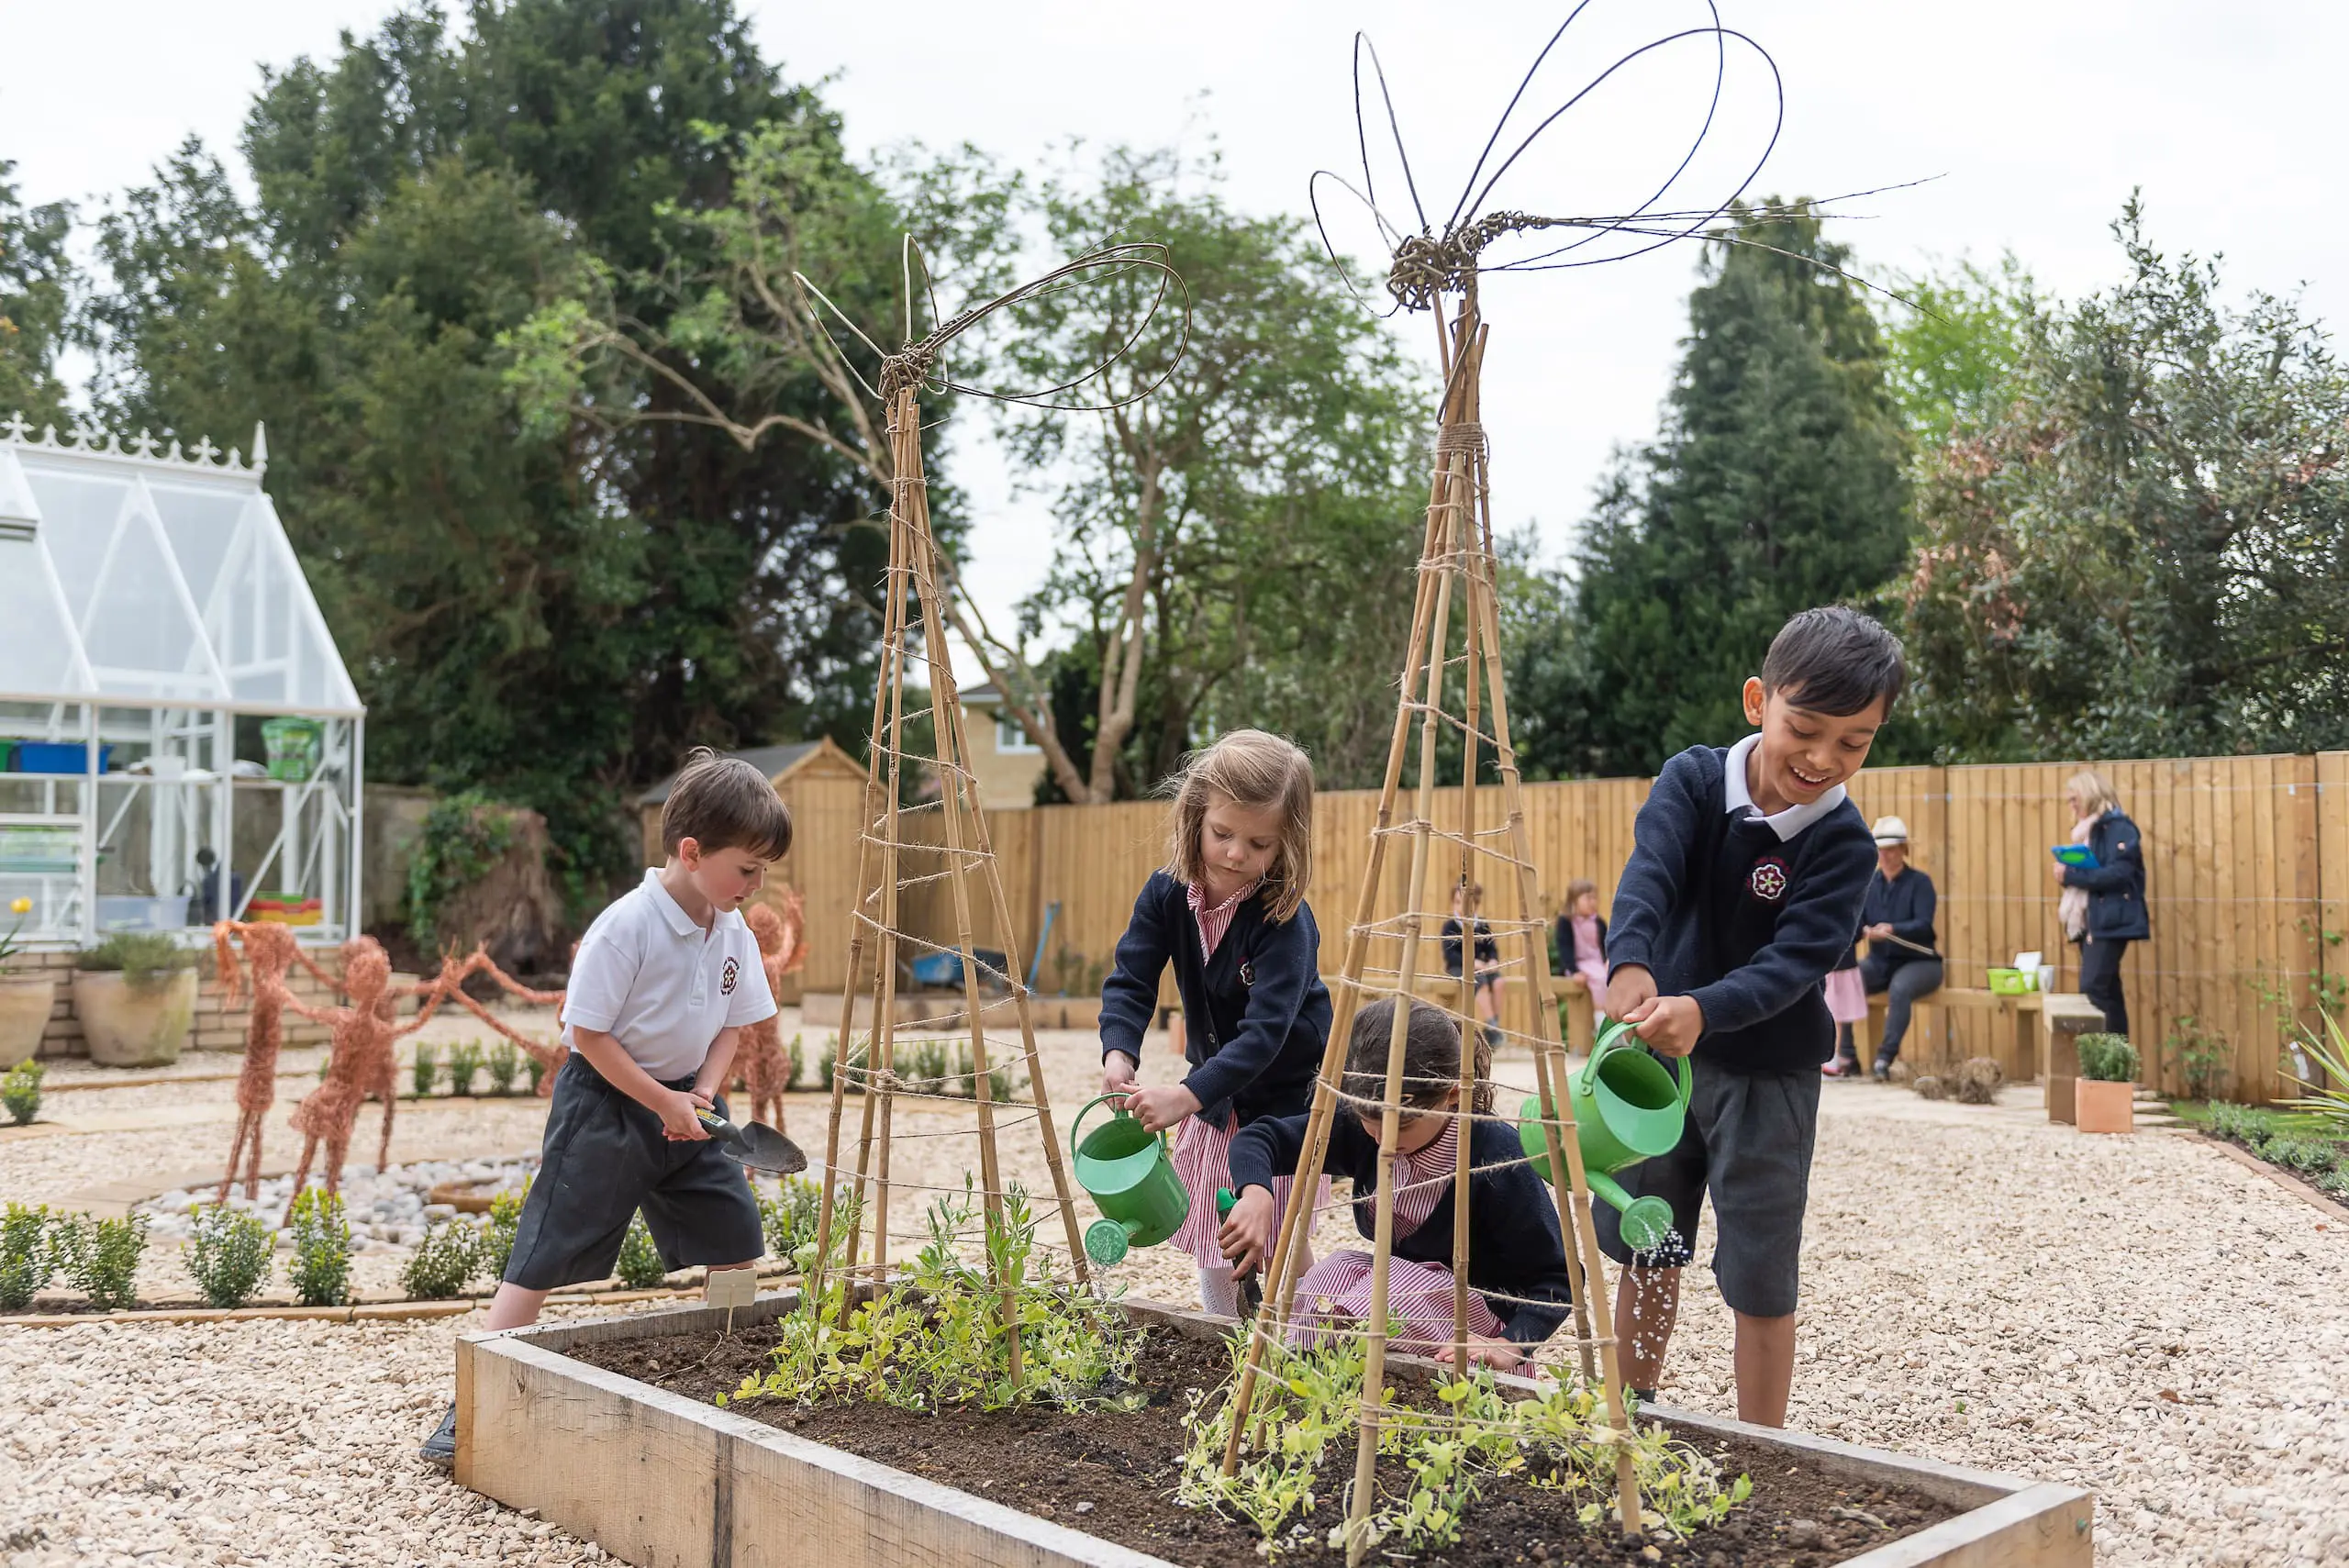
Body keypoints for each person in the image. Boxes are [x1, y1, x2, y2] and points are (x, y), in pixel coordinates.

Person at [419, 749, 792, 1464]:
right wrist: (660, 1100)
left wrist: (703, 1093)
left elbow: (733, 1025)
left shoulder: (734, 929)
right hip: (606, 1105)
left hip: (689, 1105)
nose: (758, 883)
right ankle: (470, 1405)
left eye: (763, 870)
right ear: (691, 852)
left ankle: (735, 1380)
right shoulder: (627, 926)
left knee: (737, 1237)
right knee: (542, 1255)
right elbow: (587, 1035)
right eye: (747, 868)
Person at [1598, 606, 1902, 1427]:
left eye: (1854, 741)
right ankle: (1631, 1415)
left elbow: (1797, 961)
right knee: (1648, 1238)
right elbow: (1650, 872)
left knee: (1761, 1269)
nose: (1822, 758)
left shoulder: (1843, 843)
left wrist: (1704, 1007)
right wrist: (1629, 958)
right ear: (1756, 700)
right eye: (1805, 727)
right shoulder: (1693, 781)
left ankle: (1762, 1449)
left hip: (1769, 1075)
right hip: (1656, 1064)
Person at [1099, 729, 1332, 1318]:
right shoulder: (1167, 894)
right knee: (1211, 1227)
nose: (1234, 854)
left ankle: (1299, 1339)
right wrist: (1119, 1052)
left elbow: (1264, 1037)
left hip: (1282, 1103)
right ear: (1194, 817)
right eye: (1222, 834)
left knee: (1275, 1234)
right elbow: (1132, 978)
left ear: (1288, 845)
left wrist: (1183, 1095)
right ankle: (1223, 1337)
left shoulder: (1286, 923)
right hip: (1215, 1093)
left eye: (1258, 843)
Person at [1220, 997, 1572, 1371]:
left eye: (1401, 1126)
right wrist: (1255, 1194)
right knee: (1326, 1277)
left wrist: (1510, 1345)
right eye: (1369, 1122)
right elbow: (1260, 1140)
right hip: (1401, 1305)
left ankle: (1336, 1375)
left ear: (1451, 1095)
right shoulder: (1364, 1125)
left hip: (1469, 1336)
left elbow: (1559, 1278)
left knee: (1386, 1294)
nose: (1383, 1140)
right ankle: (1309, 1382)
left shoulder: (1493, 1156)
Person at [1823, 816, 1942, 1079]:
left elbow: (1923, 924)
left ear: (1903, 850)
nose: (1886, 855)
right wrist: (1863, 931)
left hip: (1920, 962)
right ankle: (1846, 1056)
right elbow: (1856, 922)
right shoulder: (1868, 884)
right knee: (1846, 983)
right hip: (1879, 962)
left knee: (1900, 989)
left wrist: (1893, 929)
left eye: (1892, 849)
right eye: (1882, 850)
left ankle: (1884, 1059)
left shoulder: (1920, 883)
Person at [2054, 769, 2147, 1040]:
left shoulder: (2118, 827)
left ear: (2091, 795)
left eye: (2075, 799)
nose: (2071, 806)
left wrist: (2071, 875)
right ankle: (2118, 1066)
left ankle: (2103, 1064)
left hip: (2112, 919)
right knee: (2108, 990)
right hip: (2093, 919)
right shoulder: (2090, 831)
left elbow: (2119, 874)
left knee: (2093, 989)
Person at [1441, 880, 1504, 1053]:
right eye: (1457, 902)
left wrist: (1493, 960)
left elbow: (1491, 948)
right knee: (1480, 983)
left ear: (1475, 904)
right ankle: (1492, 1026)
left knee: (1499, 983)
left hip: (1482, 966)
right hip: (1458, 967)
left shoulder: (1482, 925)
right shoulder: (1449, 926)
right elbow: (1450, 954)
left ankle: (1493, 1025)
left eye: (1466, 903)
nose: (1460, 907)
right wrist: (1471, 962)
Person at [1554, 878, 1610, 1018]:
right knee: (1599, 979)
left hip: (1598, 962)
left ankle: (1614, 1020)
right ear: (1574, 900)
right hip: (1578, 964)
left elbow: (1607, 944)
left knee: (1612, 978)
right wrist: (1574, 971)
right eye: (1587, 898)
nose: (1592, 902)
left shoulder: (1599, 922)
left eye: (1594, 898)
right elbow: (1564, 948)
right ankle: (1601, 1024)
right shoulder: (1566, 922)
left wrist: (1609, 961)